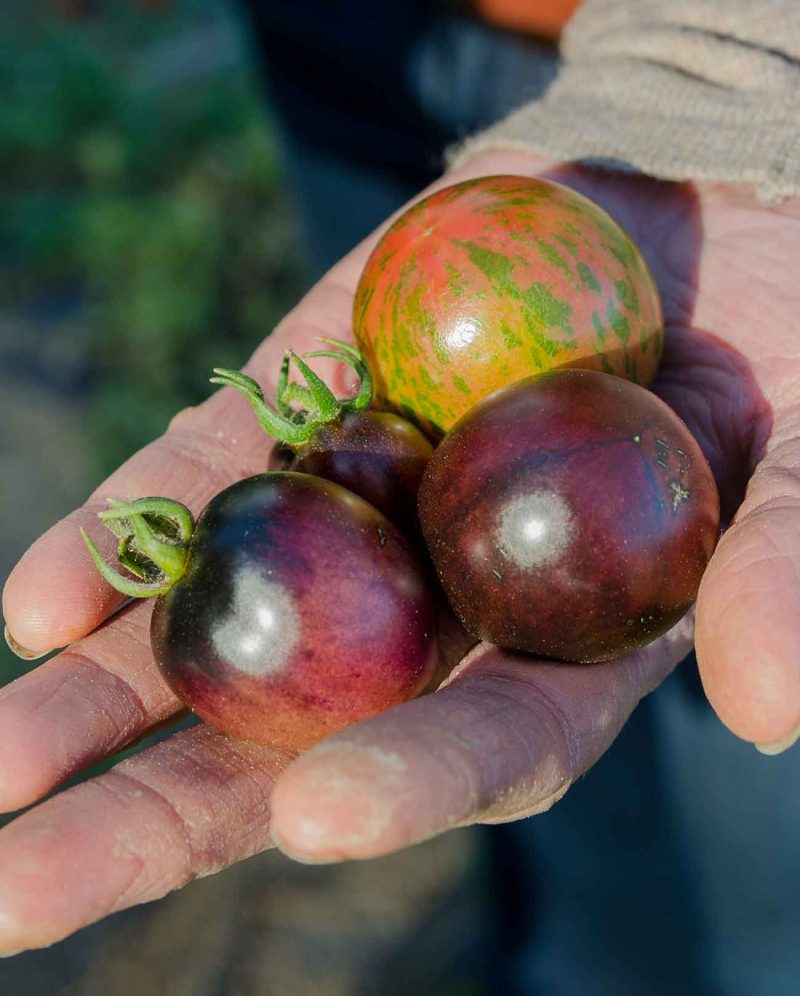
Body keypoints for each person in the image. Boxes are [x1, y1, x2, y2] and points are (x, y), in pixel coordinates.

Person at [2, 2, 799, 991]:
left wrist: (740, 64)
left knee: (755, 803)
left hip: (678, 75)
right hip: (355, 42)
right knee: (549, 827)